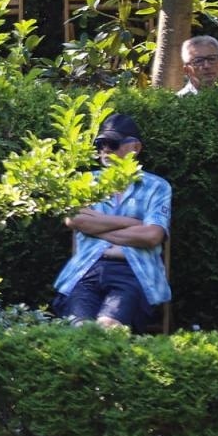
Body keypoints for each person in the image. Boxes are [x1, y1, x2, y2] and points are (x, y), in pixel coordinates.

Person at [51, 112, 172, 331]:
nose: (105, 150)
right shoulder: (85, 182)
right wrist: (132, 222)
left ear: (135, 148)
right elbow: (73, 218)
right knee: (79, 328)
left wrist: (95, 226)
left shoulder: (157, 187)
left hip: (133, 271)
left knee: (108, 327)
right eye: (100, 144)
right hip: (86, 268)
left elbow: (152, 235)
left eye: (113, 144)